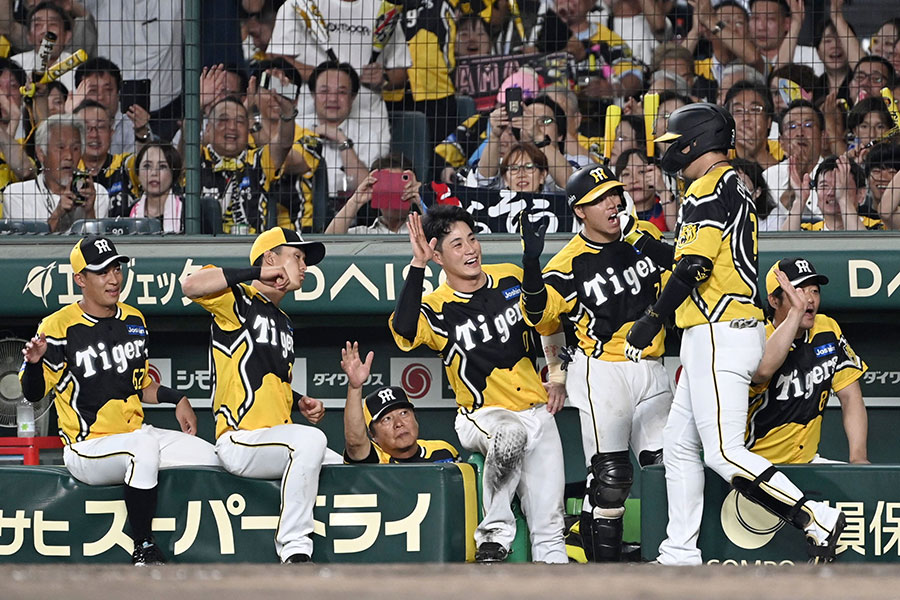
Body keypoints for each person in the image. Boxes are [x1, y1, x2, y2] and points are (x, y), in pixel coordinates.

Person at [621, 102, 847, 565]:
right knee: (681, 447)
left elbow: (696, 267)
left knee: (724, 452)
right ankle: (678, 552)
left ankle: (814, 516)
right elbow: (699, 261)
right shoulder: (733, 182)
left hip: (717, 333)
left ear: (697, 140)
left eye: (674, 143)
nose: (670, 153)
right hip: (723, 330)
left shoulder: (707, 186)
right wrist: (648, 244)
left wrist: (653, 318)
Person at [19, 236, 219, 565]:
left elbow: (135, 386)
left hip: (135, 434)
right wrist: (36, 362)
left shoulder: (134, 320)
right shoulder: (57, 326)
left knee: (209, 456)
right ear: (80, 279)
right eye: (101, 272)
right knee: (141, 449)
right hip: (88, 447)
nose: (113, 279)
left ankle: (209, 542)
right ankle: (143, 546)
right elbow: (32, 393)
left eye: (116, 268)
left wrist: (176, 397)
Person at [389, 206, 567, 564]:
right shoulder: (437, 307)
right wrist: (417, 266)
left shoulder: (510, 279)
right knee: (509, 434)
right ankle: (494, 537)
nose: (470, 249)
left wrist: (558, 375)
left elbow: (549, 321)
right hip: (483, 415)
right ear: (437, 255)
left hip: (536, 411)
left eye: (472, 238)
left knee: (550, 525)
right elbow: (405, 328)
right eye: (456, 244)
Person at [519, 164, 672, 561]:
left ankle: (668, 557)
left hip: (653, 367)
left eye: (614, 194)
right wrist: (531, 265)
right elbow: (541, 318)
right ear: (580, 211)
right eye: (600, 198)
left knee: (667, 468)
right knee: (611, 477)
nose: (613, 203)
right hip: (603, 370)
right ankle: (604, 573)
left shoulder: (646, 237)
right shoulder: (568, 263)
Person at [181, 227, 339, 564]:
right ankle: (295, 547)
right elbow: (190, 284)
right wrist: (255, 273)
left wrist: (298, 400)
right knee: (311, 441)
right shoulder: (237, 300)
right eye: (296, 256)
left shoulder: (282, 319)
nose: (304, 266)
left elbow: (264, 375)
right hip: (240, 439)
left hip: (273, 437)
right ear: (270, 259)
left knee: (341, 464)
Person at [747, 258, 868, 464]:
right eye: (798, 292)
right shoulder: (756, 336)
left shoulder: (827, 328)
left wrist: (858, 458)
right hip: (758, 463)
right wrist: (796, 312)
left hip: (807, 460)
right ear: (774, 301)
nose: (809, 299)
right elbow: (764, 371)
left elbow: (851, 397)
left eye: (814, 291)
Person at [339, 341, 459, 464]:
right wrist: (355, 388)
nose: (399, 423)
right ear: (373, 435)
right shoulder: (376, 460)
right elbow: (355, 443)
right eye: (386, 419)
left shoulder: (443, 452)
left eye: (403, 413)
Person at [1, 113, 108, 231]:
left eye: (76, 149)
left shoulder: (98, 193)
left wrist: (89, 212)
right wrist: (59, 213)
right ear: (41, 153)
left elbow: (97, 246)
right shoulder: (17, 195)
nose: (69, 156)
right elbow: (27, 247)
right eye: (61, 147)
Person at [305, 61, 389, 197]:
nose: (332, 98)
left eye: (341, 92)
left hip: (347, 212)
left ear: (353, 97)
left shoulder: (367, 136)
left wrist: (342, 141)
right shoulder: (297, 126)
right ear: (313, 94)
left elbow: (368, 189)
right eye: (324, 91)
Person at [70, 57, 151, 155]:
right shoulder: (67, 119)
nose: (100, 97)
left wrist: (141, 132)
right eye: (93, 91)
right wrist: (70, 116)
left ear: (118, 93)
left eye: (108, 90)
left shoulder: (132, 122)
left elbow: (142, 165)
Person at [325, 153, 422, 234]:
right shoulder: (364, 234)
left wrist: (420, 200)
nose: (392, 193)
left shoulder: (425, 227)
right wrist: (356, 201)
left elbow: (437, 234)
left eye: (398, 186)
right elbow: (329, 242)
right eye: (386, 186)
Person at [74, 99, 138, 219]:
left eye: (101, 127)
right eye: (86, 128)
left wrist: (141, 133)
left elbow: (149, 162)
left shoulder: (126, 165)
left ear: (111, 132)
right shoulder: (68, 172)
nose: (94, 134)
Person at [615, 148, 675, 231]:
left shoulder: (667, 208)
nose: (634, 180)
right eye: (626, 174)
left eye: (641, 172)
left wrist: (663, 191)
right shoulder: (614, 213)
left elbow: (678, 232)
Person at [129, 142, 183, 233]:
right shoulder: (128, 213)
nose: (154, 173)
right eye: (147, 166)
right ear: (137, 174)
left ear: (173, 173)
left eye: (162, 166)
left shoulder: (188, 212)